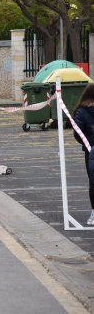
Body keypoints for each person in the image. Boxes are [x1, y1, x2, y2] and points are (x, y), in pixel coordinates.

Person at [73, 83, 94, 225]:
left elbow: (77, 133)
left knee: (93, 182)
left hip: (91, 151)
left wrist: (87, 144)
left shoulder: (81, 111)